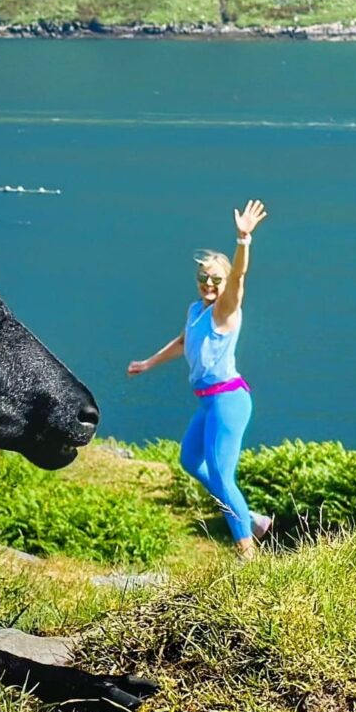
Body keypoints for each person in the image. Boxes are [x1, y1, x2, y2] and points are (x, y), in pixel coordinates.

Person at [127, 199, 271, 557]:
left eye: (215, 278)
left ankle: (247, 554)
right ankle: (249, 517)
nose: (209, 282)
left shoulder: (225, 308)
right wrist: (148, 363)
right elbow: (183, 342)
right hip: (209, 401)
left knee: (223, 476)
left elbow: (238, 277)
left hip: (229, 399)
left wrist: (243, 241)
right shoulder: (196, 309)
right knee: (191, 460)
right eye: (203, 277)